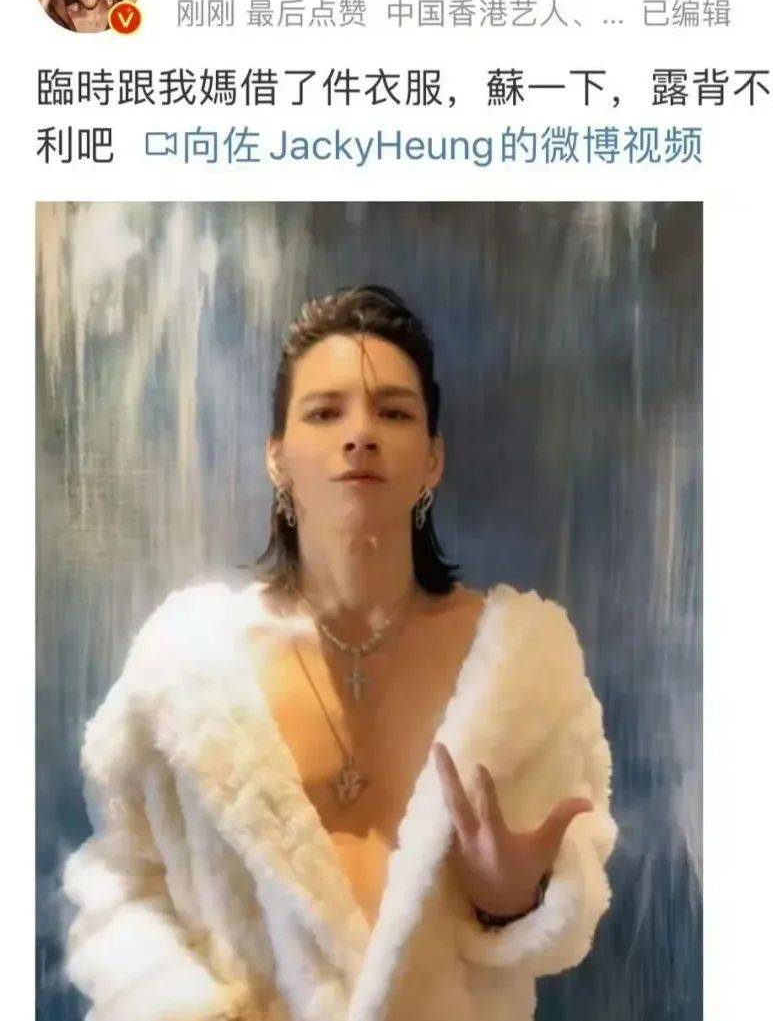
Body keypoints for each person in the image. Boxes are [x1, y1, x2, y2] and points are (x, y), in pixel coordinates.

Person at [60, 287, 618, 1021]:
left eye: (394, 412)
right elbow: (116, 884)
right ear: (277, 457)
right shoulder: (185, 671)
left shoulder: (522, 668)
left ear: (433, 459)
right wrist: (186, 1008)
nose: (360, 434)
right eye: (325, 413)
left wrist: (516, 902)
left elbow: (573, 894)